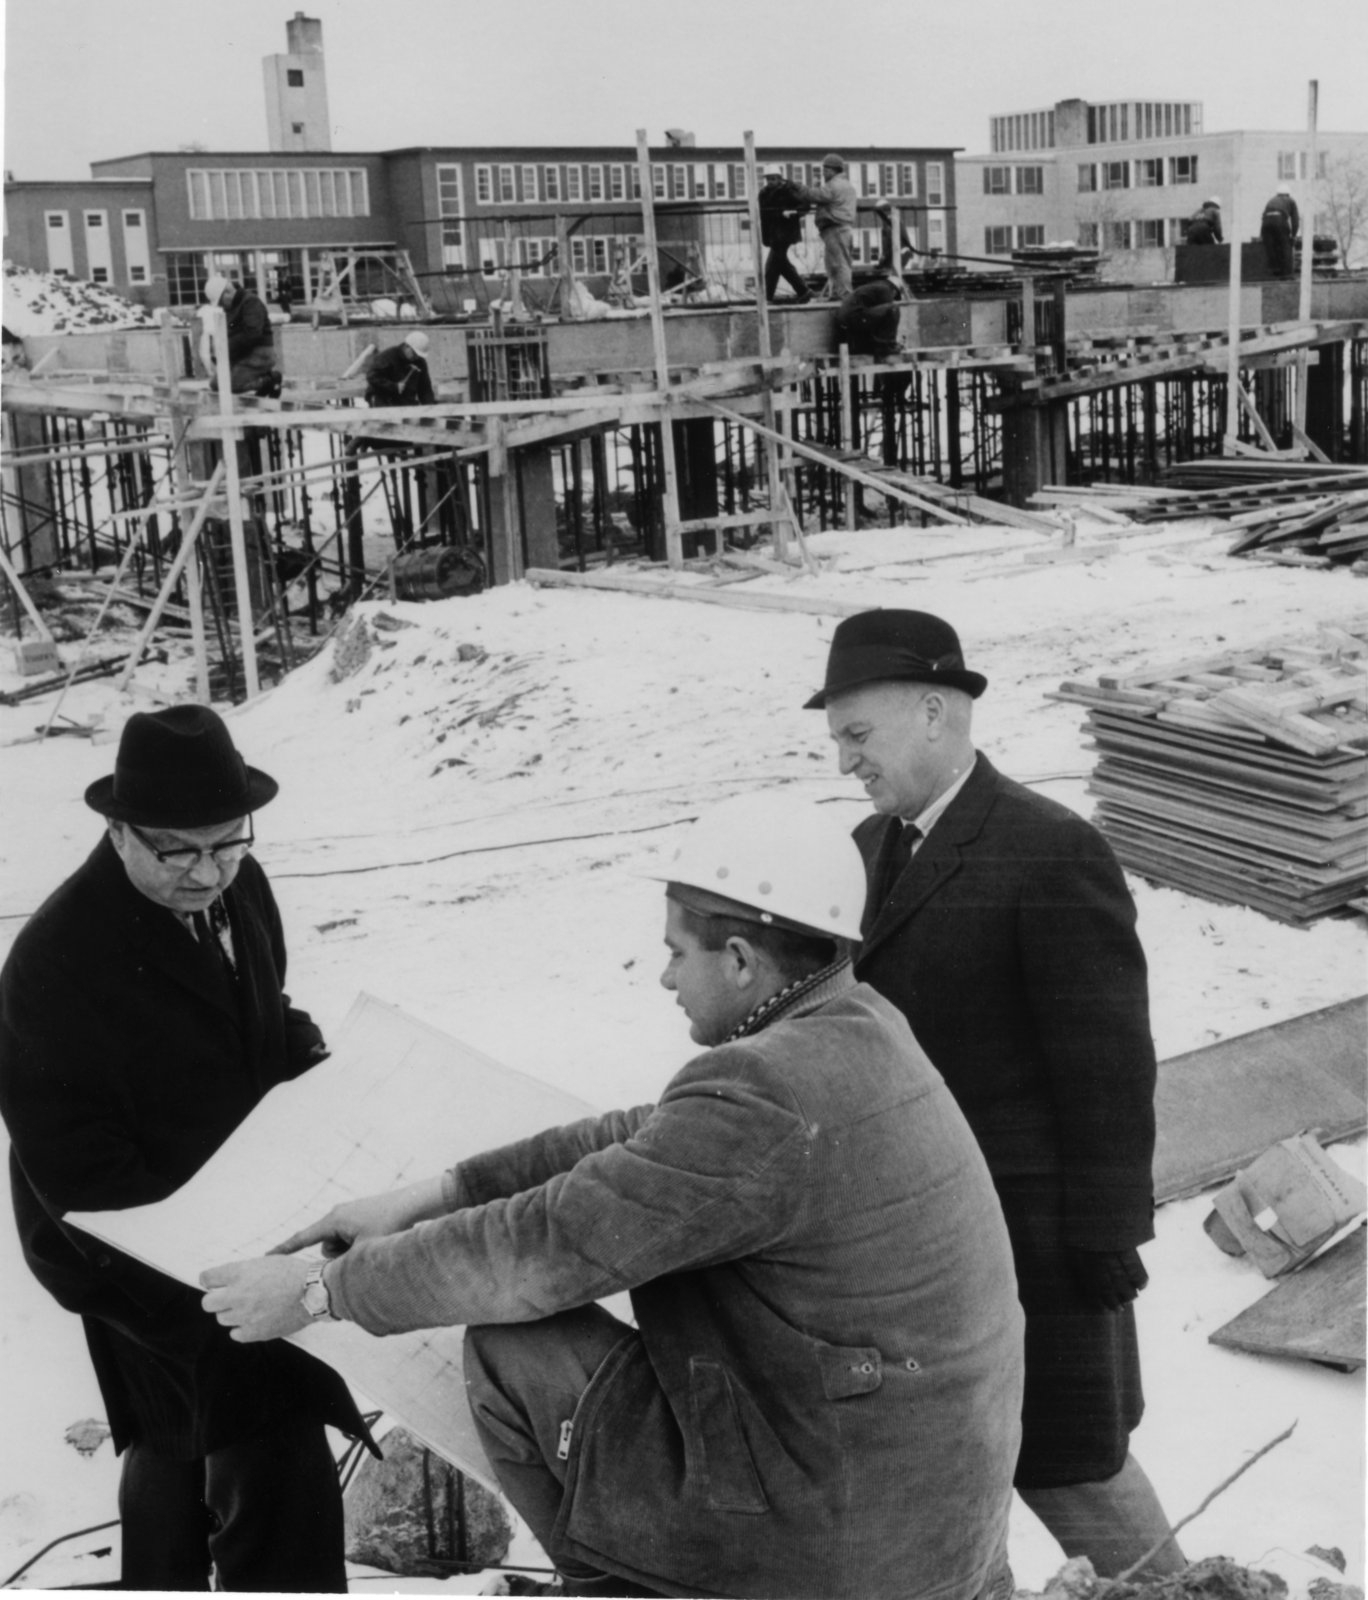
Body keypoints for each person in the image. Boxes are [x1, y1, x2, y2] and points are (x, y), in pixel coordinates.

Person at [201, 793, 1026, 1600]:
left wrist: (321, 1291)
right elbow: (644, 1133)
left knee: (515, 1346)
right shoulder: (855, 1024)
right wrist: (439, 1193)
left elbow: (542, 1251)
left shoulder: (765, 1094)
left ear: (740, 961)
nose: (664, 976)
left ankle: (613, 1590)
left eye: (677, 952)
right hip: (919, 1505)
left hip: (837, 1539)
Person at [807, 610, 1186, 1579]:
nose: (846, 760)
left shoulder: (1049, 849)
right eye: (837, 739)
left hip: (1037, 1243)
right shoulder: (865, 847)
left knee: (1072, 1465)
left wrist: (1106, 1232)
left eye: (859, 734)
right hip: (916, 1244)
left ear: (934, 712)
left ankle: (1185, 1593)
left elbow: (1109, 1065)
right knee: (956, 1472)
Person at [0, 705, 370, 1591]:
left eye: (227, 843)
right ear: (118, 831)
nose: (206, 871)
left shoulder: (240, 885)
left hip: (236, 1210)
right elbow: (78, 1171)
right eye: (175, 852)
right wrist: (201, 1292)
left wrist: (318, 1063)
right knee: (258, 1424)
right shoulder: (53, 963)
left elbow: (261, 1009)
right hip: (121, 1242)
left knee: (180, 1433)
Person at [200, 273, 280, 395]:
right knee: (215, 384)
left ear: (227, 292)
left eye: (221, 302)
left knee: (232, 385)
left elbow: (252, 334)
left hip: (259, 353)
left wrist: (228, 348)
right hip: (242, 354)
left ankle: (269, 380)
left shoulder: (251, 302)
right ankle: (258, 378)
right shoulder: (232, 307)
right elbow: (232, 331)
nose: (221, 306)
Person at [797, 153, 858, 299]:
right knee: (834, 265)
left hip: (836, 228)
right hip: (839, 229)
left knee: (839, 264)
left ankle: (846, 297)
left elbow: (815, 195)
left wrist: (799, 188)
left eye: (825, 170)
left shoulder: (834, 185)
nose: (823, 173)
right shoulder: (845, 184)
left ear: (832, 170)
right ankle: (838, 294)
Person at [758, 164, 812, 304]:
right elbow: (763, 215)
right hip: (773, 234)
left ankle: (768, 297)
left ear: (779, 178)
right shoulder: (764, 193)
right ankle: (803, 291)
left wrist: (792, 213)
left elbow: (804, 206)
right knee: (780, 264)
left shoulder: (788, 190)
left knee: (772, 265)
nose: (770, 182)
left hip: (785, 233)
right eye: (768, 179)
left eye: (773, 179)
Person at [835, 274, 904, 359]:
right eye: (895, 296)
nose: (893, 298)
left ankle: (878, 344)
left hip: (848, 321)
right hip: (854, 318)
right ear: (894, 290)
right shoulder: (886, 289)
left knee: (885, 312)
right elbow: (887, 316)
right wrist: (892, 343)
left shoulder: (876, 286)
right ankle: (885, 346)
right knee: (893, 309)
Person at [365, 329, 437, 406]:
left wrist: (430, 407)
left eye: (419, 355)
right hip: (383, 399)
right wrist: (393, 386)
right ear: (406, 346)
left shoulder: (419, 362)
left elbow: (425, 388)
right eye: (414, 353)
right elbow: (372, 376)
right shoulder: (388, 357)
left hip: (404, 401)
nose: (416, 357)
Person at [1261, 186, 1300, 278]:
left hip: (1266, 223)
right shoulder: (1291, 201)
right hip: (1280, 220)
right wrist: (1293, 236)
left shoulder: (1271, 200)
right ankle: (1287, 274)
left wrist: (1262, 235)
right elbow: (1295, 220)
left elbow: (1263, 216)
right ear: (1288, 194)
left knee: (1271, 246)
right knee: (1285, 245)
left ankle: (1274, 272)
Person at [874, 198, 918, 273]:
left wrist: (884, 257)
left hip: (900, 255)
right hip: (900, 254)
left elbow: (889, 243)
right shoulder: (892, 220)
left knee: (889, 273)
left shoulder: (890, 222)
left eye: (879, 213)